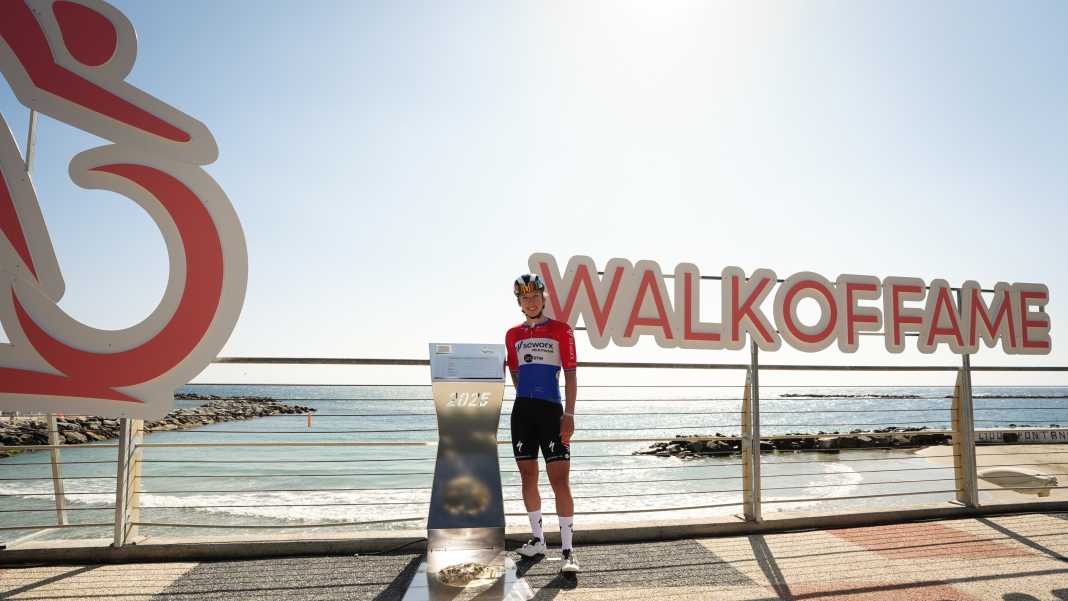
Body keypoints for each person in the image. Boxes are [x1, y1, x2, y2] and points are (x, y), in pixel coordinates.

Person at [506, 274, 580, 574]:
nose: (530, 301)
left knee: (560, 480)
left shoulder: (562, 330)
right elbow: (514, 371)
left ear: (543, 298)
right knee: (528, 477)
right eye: (524, 298)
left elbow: (571, 374)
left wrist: (569, 414)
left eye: (535, 296)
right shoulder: (512, 334)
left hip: (552, 411)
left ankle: (568, 552)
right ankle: (538, 540)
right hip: (522, 412)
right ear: (519, 302)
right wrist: (526, 398)